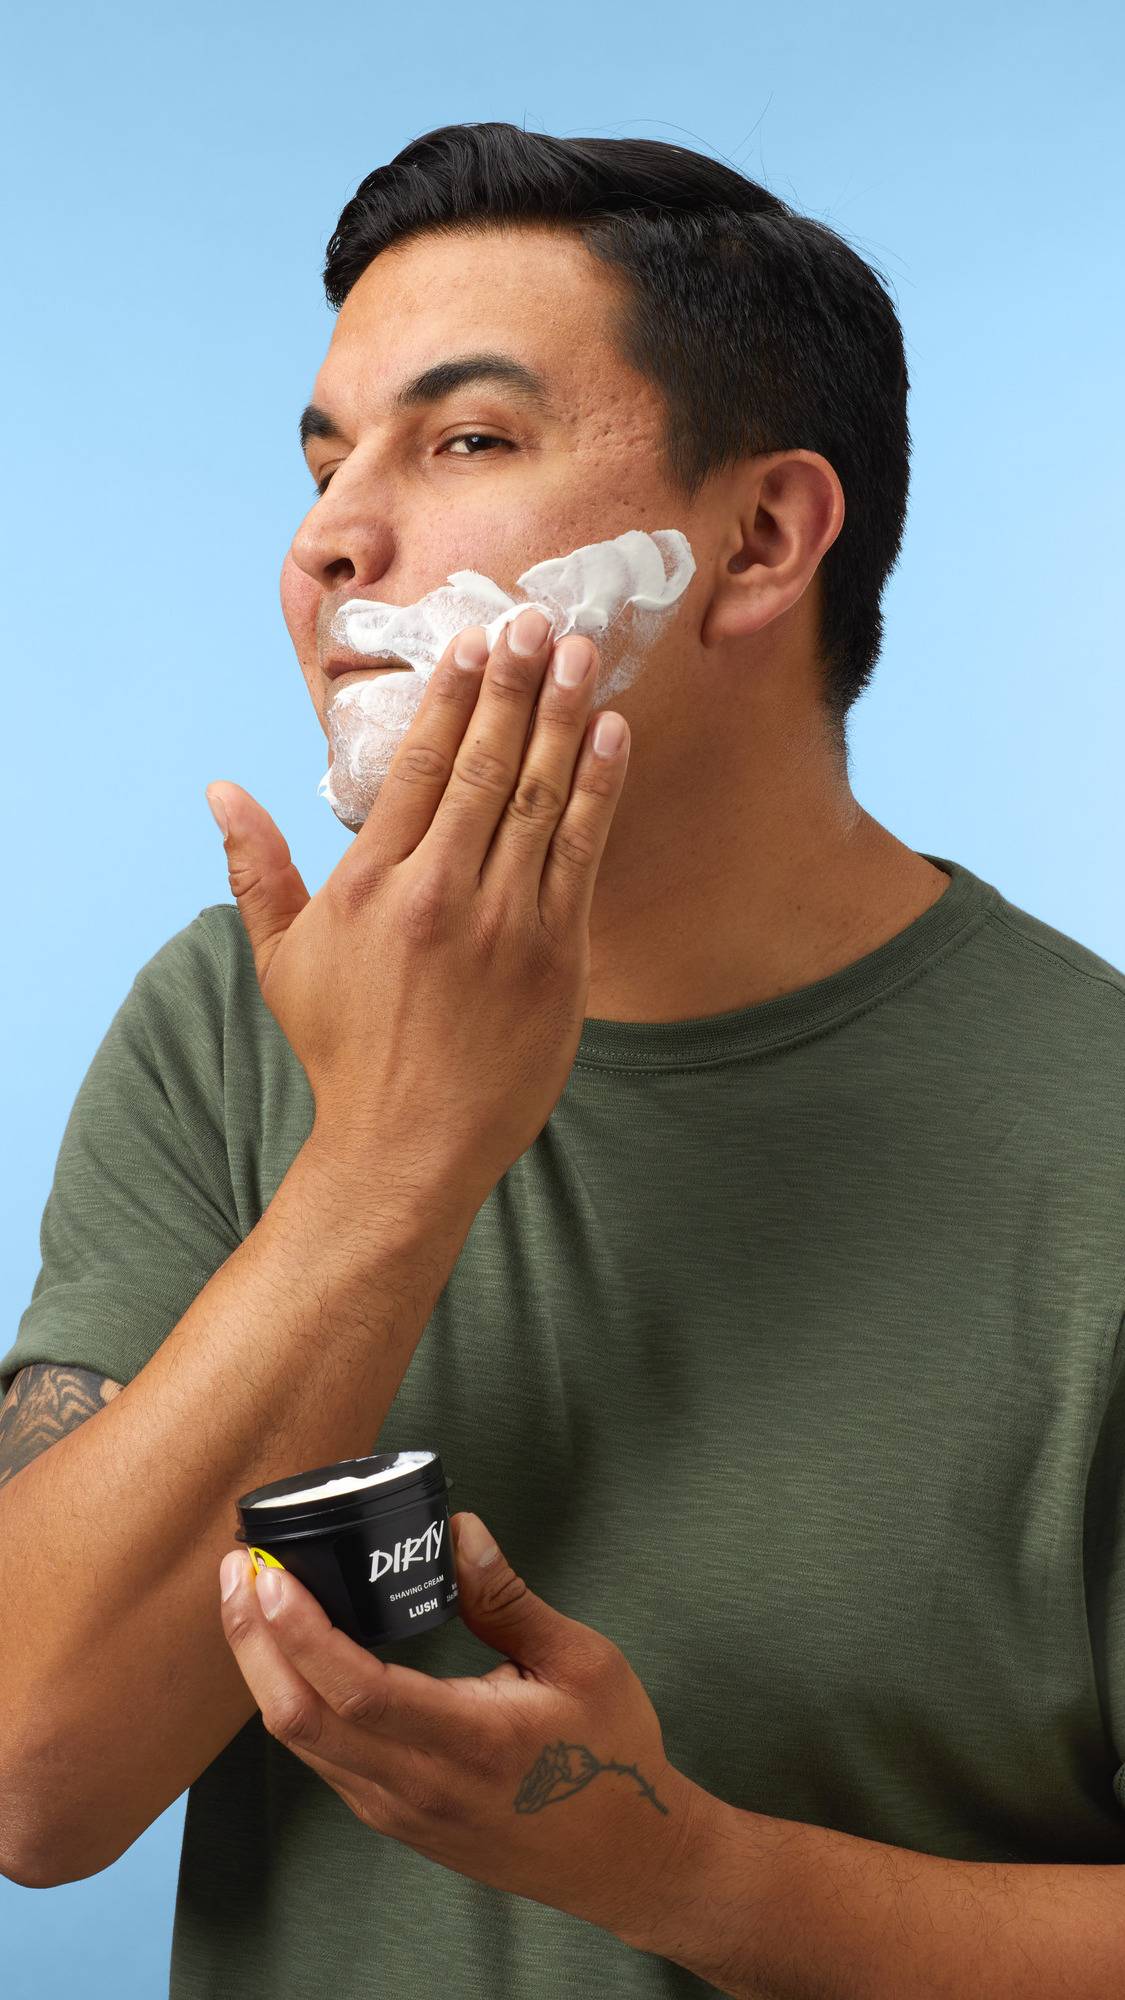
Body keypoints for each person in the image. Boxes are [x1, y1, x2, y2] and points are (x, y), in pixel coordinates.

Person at [2, 121, 1123, 2000]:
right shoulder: (226, 1026)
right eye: (325, 460)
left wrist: (686, 1876)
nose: (328, 540)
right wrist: (388, 1161)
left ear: (757, 542)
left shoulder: (1093, 1135)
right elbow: (35, 1781)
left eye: (463, 441)